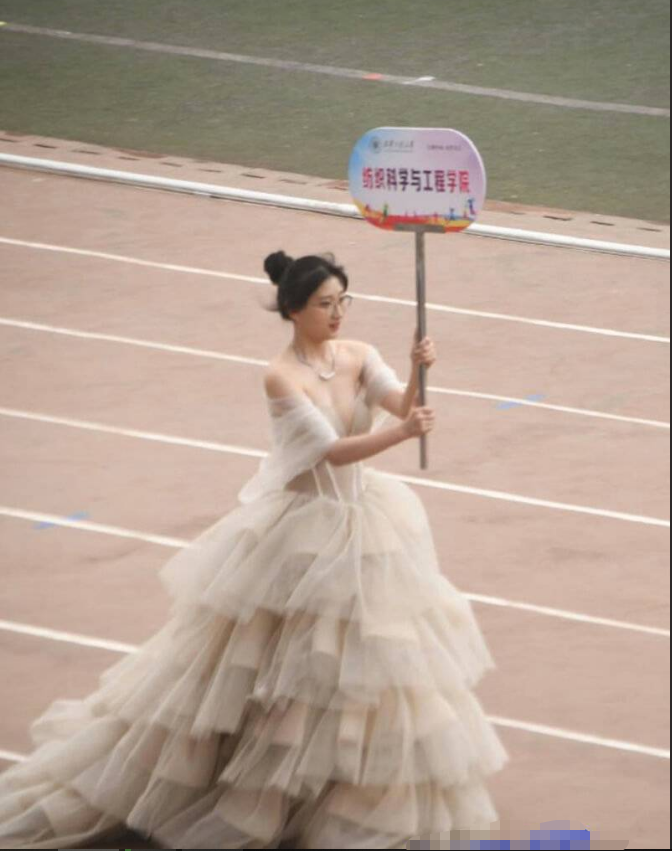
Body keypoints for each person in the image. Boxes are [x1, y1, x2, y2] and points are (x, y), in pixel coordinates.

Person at [0, 250, 509, 849]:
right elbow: (330, 452)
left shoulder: (359, 354)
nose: (337, 313)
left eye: (343, 301)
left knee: (365, 668)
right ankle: (245, 786)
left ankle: (335, 791)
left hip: (365, 523)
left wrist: (418, 369)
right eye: (325, 304)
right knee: (278, 675)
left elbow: (402, 402)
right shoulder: (280, 377)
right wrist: (403, 433)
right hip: (303, 535)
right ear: (293, 310)